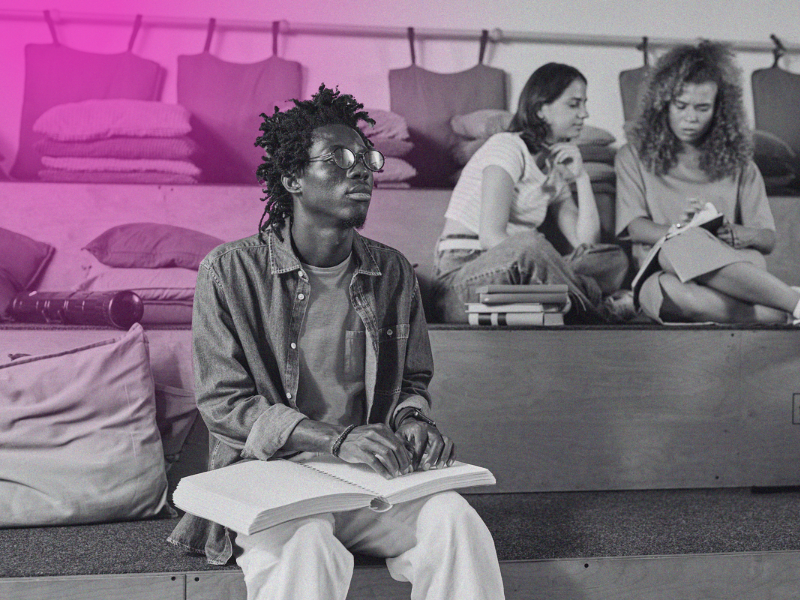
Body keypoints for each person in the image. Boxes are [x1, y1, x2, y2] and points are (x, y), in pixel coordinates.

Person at [167, 84, 505, 600]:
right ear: (292, 178)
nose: (362, 171)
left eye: (367, 159)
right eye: (340, 159)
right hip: (271, 476)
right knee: (307, 548)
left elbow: (411, 381)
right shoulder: (229, 272)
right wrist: (335, 439)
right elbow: (223, 404)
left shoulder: (392, 271)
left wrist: (413, 421)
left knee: (457, 523)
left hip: (371, 475)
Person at [616, 41, 800, 324]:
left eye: (702, 108)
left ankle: (784, 308)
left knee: (726, 256)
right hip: (663, 271)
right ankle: (782, 310)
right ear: (663, 104)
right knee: (675, 261)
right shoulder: (632, 156)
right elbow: (635, 227)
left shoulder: (742, 165)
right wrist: (683, 231)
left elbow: (767, 239)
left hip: (732, 273)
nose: (690, 118)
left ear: (719, 110)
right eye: (681, 106)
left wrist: (738, 235)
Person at [433, 62, 629, 323]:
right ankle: (598, 313)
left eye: (584, 104)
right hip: (463, 279)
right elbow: (491, 237)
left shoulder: (555, 166)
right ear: (540, 110)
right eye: (574, 104)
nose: (585, 114)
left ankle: (563, 296)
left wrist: (581, 177)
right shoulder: (507, 147)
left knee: (613, 258)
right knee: (530, 243)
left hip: (517, 277)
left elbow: (585, 242)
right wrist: (541, 258)